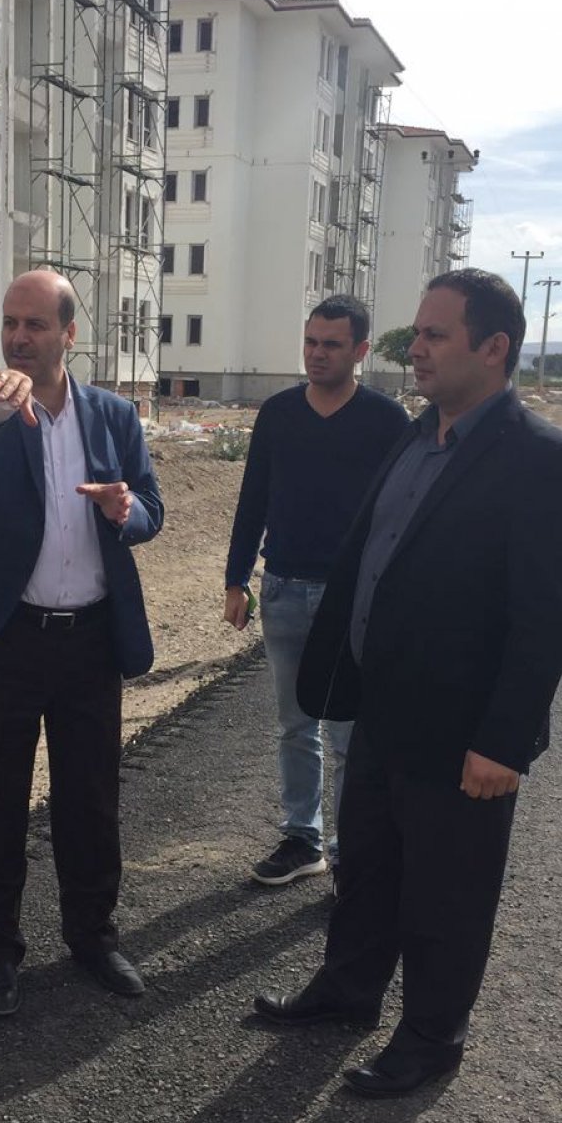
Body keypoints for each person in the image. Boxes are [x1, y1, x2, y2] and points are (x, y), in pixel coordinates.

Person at [254, 268, 562, 1097]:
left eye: (436, 335)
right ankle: (348, 990)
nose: (418, 350)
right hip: (382, 707)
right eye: (418, 333)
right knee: (368, 868)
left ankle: (434, 1036)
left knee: (448, 895)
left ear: (495, 347)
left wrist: (504, 741)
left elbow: (545, 619)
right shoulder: (414, 439)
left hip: (464, 731)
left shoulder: (545, 461)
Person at [0, 268, 163, 1017]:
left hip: (90, 639)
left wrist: (126, 511)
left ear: (69, 333)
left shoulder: (113, 415)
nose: (19, 338)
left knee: (91, 799)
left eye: (35, 324)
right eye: (10, 323)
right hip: (11, 637)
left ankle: (93, 937)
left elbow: (151, 507)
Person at [223, 295, 408, 888]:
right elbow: (253, 500)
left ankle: (352, 847)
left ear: (360, 350)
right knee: (295, 725)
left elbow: (400, 513)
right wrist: (235, 579)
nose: (317, 354)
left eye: (332, 344)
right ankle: (302, 840)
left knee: (350, 733)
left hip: (353, 600)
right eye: (310, 341)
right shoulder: (278, 413)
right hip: (282, 588)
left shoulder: (386, 421)